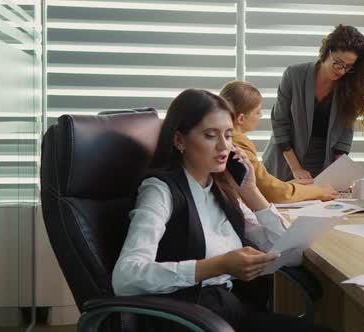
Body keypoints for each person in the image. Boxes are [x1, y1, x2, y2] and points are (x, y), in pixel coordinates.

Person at [112, 89, 330, 332]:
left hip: (231, 312)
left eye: (228, 135)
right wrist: (219, 265)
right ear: (179, 140)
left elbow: (290, 253)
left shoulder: (223, 188)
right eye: (210, 135)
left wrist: (251, 192)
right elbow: (125, 277)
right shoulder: (160, 191)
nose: (223, 146)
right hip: (186, 319)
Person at [262, 24, 364, 181]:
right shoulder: (294, 75)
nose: (341, 70)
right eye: (337, 62)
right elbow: (279, 123)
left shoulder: (350, 87)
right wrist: (296, 168)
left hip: (322, 164)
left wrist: (340, 174)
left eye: (348, 66)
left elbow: (344, 134)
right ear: (326, 52)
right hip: (285, 160)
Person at [219, 80, 338, 203]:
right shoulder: (237, 143)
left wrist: (289, 187)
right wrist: (318, 191)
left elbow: (258, 187)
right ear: (241, 118)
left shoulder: (226, 139)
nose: (260, 116)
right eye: (257, 112)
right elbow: (272, 192)